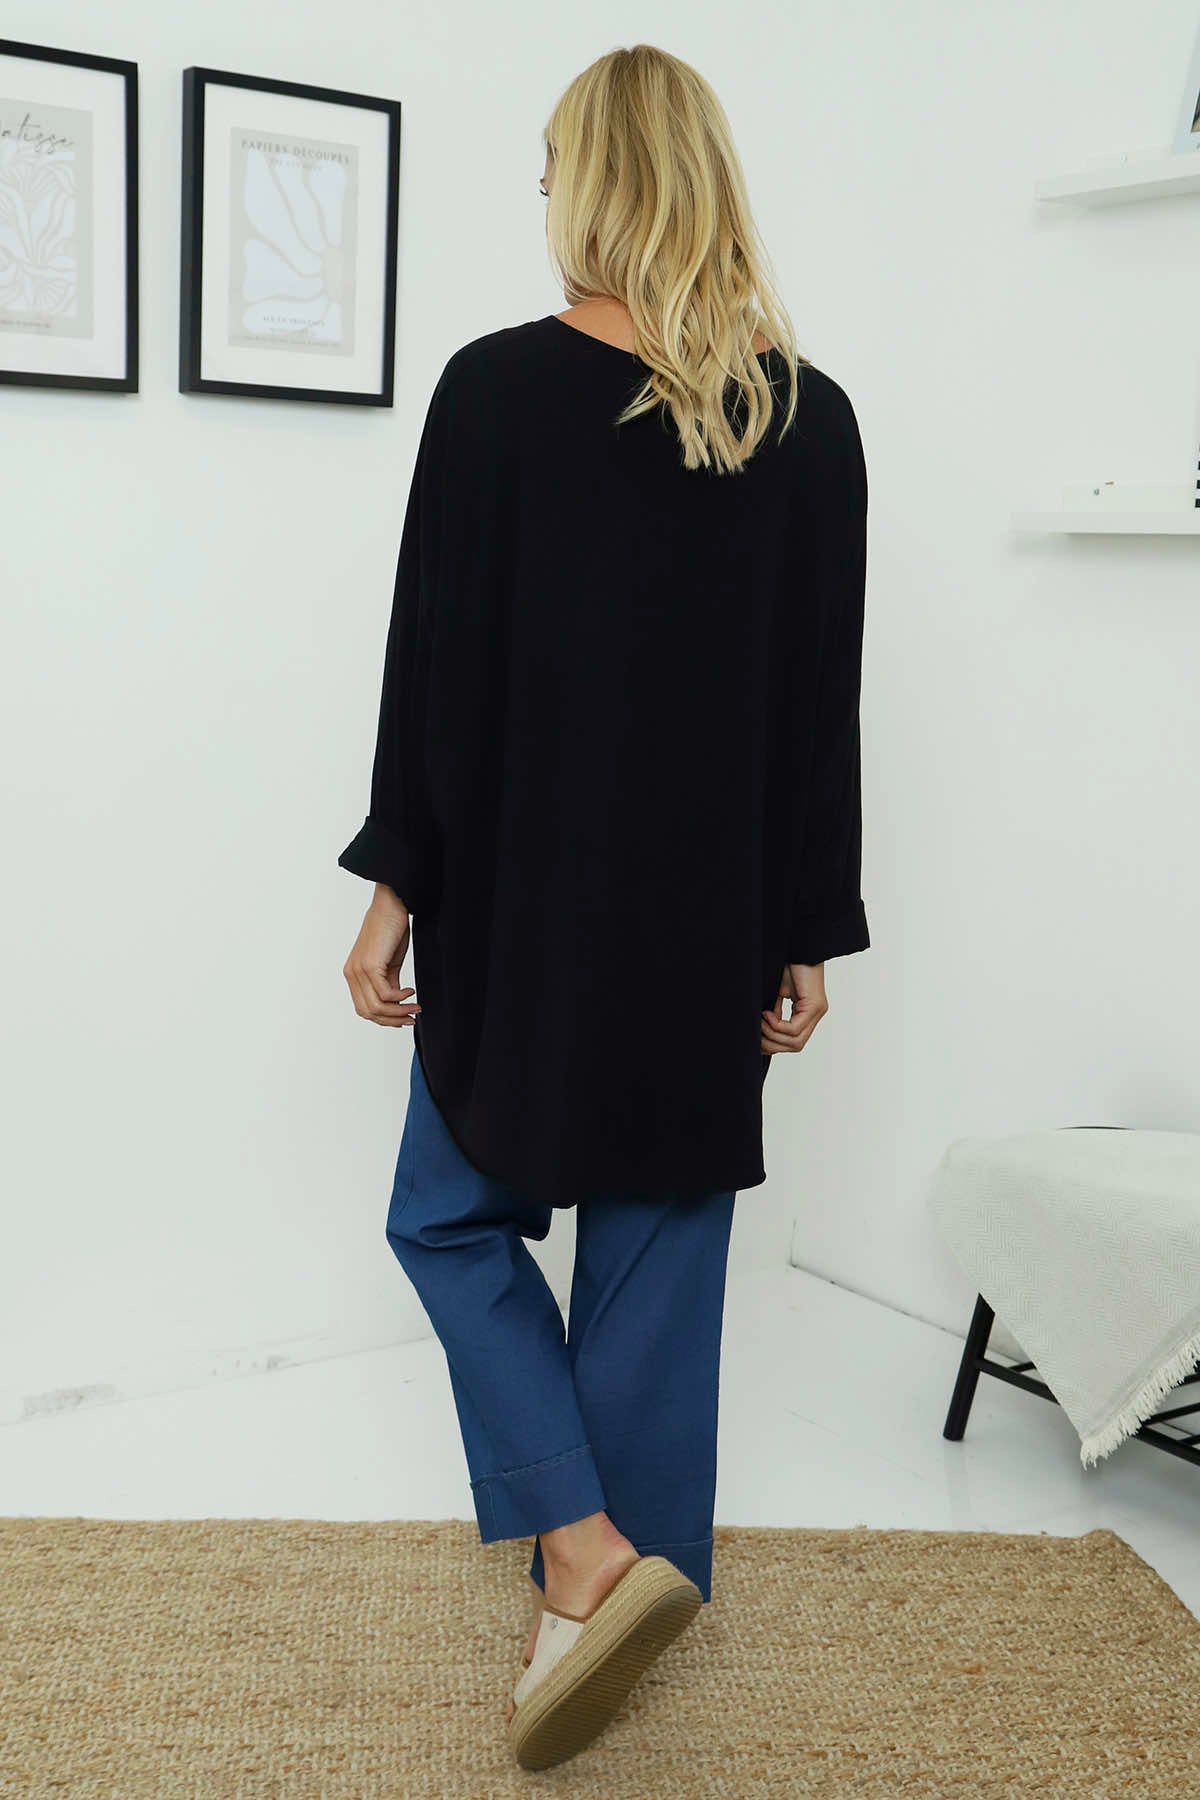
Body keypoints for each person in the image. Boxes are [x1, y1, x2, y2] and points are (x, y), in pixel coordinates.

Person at [337, 42, 870, 1772]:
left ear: (592, 185)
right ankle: (616, 1581)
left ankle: (579, 1558)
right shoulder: (808, 419)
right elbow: (819, 711)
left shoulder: (493, 394)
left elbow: (435, 680)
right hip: (705, 930)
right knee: (655, 1255)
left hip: (521, 911)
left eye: (552, 167)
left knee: (446, 1217)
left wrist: (396, 890)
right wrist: (804, 923)